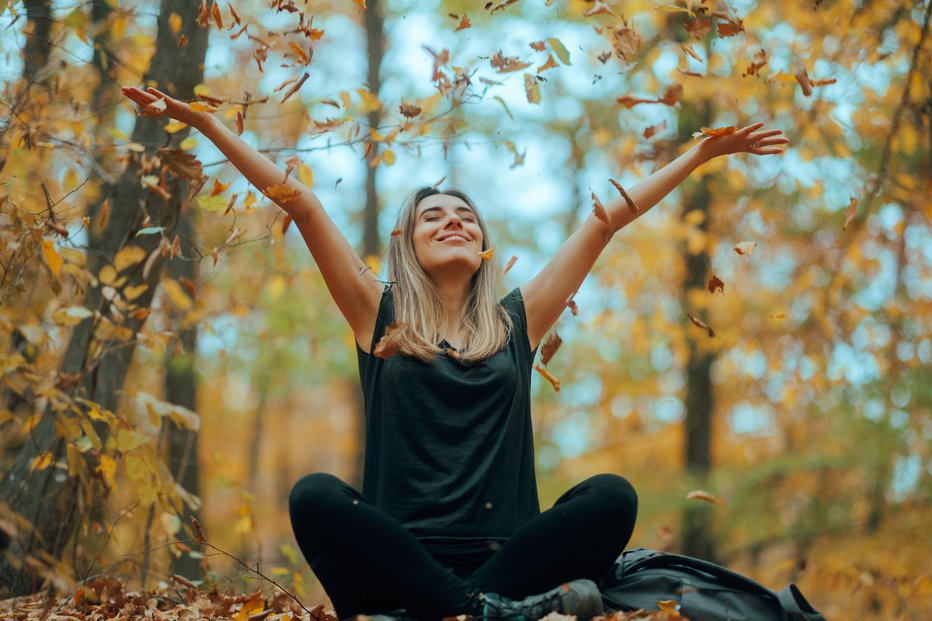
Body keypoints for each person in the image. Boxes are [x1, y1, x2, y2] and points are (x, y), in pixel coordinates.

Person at [121, 84, 788, 621]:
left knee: (611, 495)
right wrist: (203, 122)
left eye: (467, 216)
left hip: (511, 560)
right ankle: (477, 612)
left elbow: (606, 220)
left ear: (482, 246)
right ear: (408, 244)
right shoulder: (376, 312)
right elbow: (296, 200)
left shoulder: (515, 324)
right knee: (315, 495)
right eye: (434, 215)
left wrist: (700, 154)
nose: (454, 221)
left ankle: (463, 606)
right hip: (394, 565)